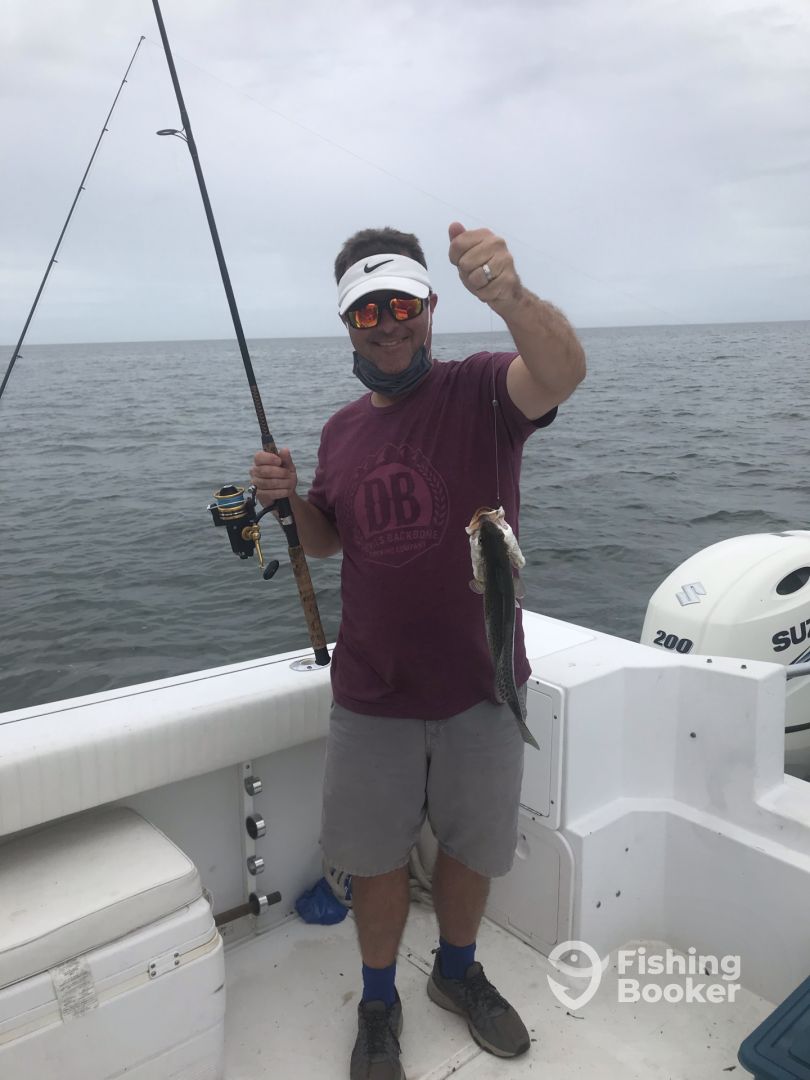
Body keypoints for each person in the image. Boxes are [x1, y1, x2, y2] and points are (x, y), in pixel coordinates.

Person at [251, 222, 585, 1080]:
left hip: (483, 686)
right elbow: (328, 540)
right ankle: (377, 1001)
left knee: (471, 850)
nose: (388, 324)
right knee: (374, 862)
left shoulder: (482, 392)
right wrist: (291, 505)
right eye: (368, 311)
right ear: (348, 324)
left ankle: (457, 973)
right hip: (372, 692)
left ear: (430, 306)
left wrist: (510, 295)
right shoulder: (340, 432)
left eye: (402, 304)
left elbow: (560, 374)